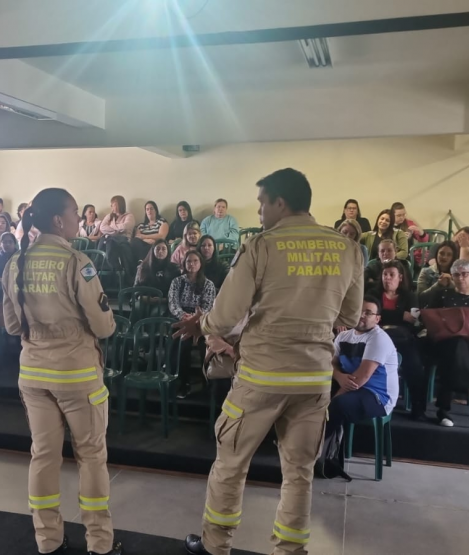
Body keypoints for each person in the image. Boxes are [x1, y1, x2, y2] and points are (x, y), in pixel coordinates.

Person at [175, 168, 363, 555]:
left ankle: (215, 546)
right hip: (313, 380)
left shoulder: (261, 246)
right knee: (299, 474)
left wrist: (202, 325)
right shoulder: (346, 248)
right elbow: (350, 313)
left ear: (280, 202)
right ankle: (290, 551)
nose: (259, 211)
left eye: (262, 203)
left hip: (261, 377)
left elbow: (225, 316)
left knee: (231, 464)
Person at [2, 188, 122, 555]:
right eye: (73, 211)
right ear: (58, 220)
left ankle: (48, 540)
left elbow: (10, 326)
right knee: (91, 457)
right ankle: (99, 543)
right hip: (77, 377)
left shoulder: (15, 264)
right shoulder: (77, 262)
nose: (76, 217)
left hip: (34, 376)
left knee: (43, 455)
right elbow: (103, 327)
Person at [421, 259, 469, 427]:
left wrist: (460, 331)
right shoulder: (442, 296)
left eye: (465, 274)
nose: (461, 278)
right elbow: (430, 320)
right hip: (442, 341)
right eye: (456, 275)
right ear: (452, 277)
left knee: (456, 347)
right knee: (454, 348)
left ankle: (443, 411)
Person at [328, 297, 399, 458]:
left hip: (377, 395)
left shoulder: (378, 338)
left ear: (377, 318)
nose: (361, 315)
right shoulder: (343, 336)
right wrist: (339, 377)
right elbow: (330, 363)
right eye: (359, 311)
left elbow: (360, 379)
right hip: (347, 384)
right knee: (311, 394)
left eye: (368, 313)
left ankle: (314, 448)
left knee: (337, 405)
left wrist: (330, 400)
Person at [371, 261, 427, 419]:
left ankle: (418, 408)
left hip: (403, 338)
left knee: (415, 366)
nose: (387, 278)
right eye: (385, 275)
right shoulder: (373, 294)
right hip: (378, 337)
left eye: (391, 275)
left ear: (400, 277)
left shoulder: (410, 296)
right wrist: (401, 315)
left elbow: (413, 321)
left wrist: (384, 315)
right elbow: (371, 315)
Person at [169, 251, 217, 398]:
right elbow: (172, 303)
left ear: (200, 263)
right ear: (184, 264)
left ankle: (207, 384)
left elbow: (209, 306)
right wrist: (183, 316)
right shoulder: (177, 282)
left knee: (205, 345)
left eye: (195, 261)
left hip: (200, 320)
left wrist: (196, 319)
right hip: (181, 318)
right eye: (189, 261)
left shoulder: (208, 284)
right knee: (182, 345)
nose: (192, 264)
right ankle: (182, 383)